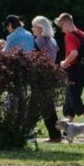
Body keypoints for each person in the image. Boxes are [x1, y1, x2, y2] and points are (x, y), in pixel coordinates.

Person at [31, 15, 63, 143]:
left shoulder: (39, 41)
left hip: (40, 77)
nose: (32, 29)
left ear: (40, 28)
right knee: (47, 107)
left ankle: (27, 132)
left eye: (34, 26)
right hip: (49, 76)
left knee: (36, 106)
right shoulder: (52, 41)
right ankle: (55, 135)